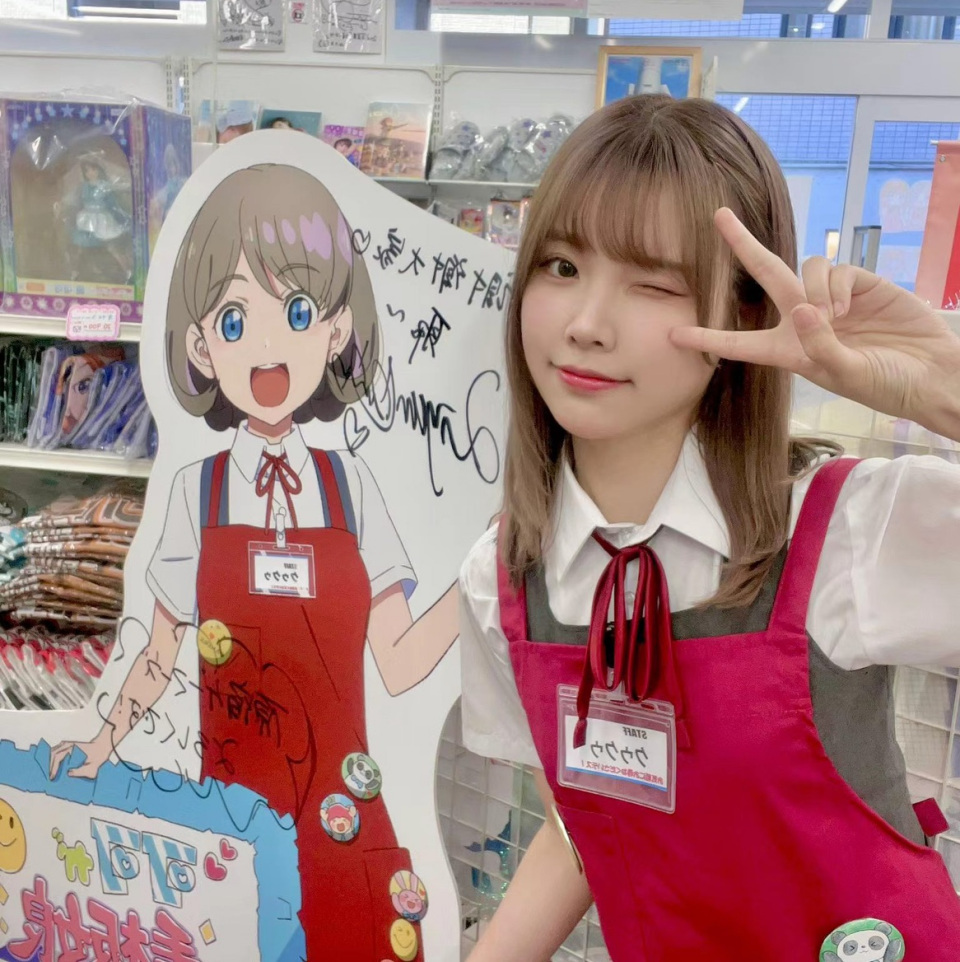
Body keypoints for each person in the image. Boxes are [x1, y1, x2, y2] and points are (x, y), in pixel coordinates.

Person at [458, 94, 960, 962]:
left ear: (743, 314)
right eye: (561, 266)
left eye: (654, 283)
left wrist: (946, 387)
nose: (586, 324)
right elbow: (584, 822)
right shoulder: (503, 581)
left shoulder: (848, 532)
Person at [49, 163, 459, 962]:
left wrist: (486, 573)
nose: (267, 347)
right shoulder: (196, 493)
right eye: (235, 319)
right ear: (201, 345)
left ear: (336, 329)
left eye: (297, 311)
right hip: (232, 827)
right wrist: (100, 746)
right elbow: (160, 653)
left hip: (344, 820)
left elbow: (401, 661)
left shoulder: (352, 489)